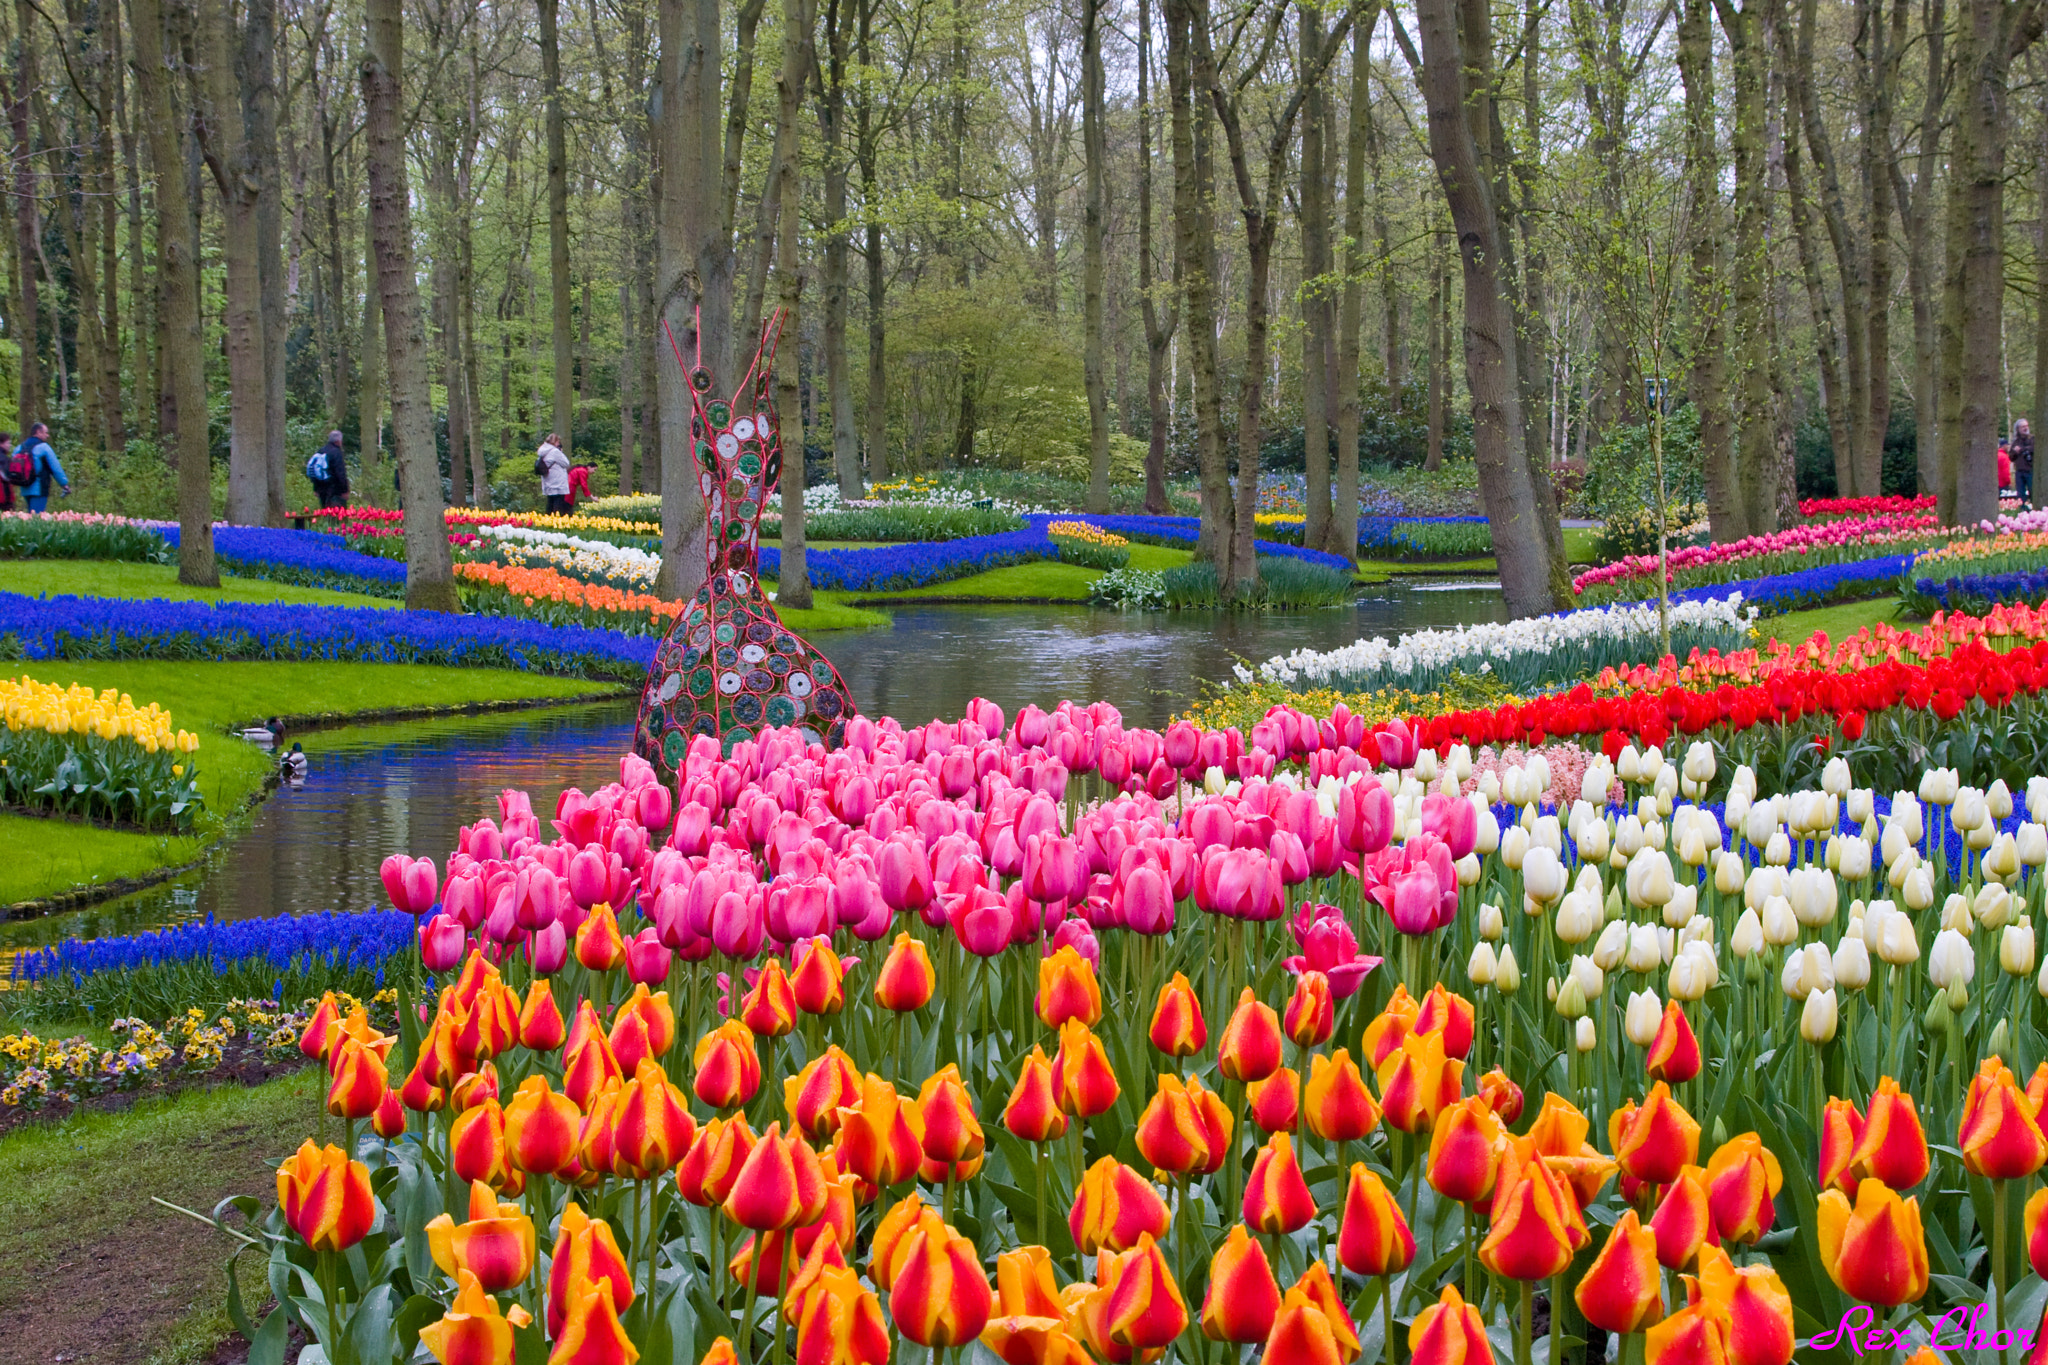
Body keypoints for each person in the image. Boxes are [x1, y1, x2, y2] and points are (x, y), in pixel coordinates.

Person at [21, 423, 67, 512]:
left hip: (24, 487)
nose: (47, 435)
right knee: (37, 518)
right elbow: (55, 467)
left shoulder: (21, 447)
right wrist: (64, 483)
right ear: (38, 432)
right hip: (39, 487)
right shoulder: (44, 447)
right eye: (45, 433)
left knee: (28, 517)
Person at [307, 430, 350, 509]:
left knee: (325, 512)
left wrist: (316, 488)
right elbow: (340, 473)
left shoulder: (321, 451)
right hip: (335, 490)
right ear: (338, 441)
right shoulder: (336, 453)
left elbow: (316, 470)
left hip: (321, 489)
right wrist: (345, 490)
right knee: (337, 515)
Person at [536, 433, 571, 513]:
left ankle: (548, 520)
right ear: (555, 442)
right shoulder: (555, 451)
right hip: (557, 481)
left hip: (548, 480)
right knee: (558, 504)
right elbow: (566, 463)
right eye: (558, 442)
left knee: (550, 503)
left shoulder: (542, 451)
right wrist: (560, 452)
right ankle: (556, 521)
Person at [2015, 419, 2036, 503]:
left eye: (2026, 426)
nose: (2025, 428)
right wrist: (2015, 451)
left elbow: (2033, 448)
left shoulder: (2032, 439)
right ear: (2018, 429)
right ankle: (2022, 510)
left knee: (2033, 491)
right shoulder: (2016, 441)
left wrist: (2021, 449)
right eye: (2023, 426)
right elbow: (2011, 456)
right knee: (2020, 494)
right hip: (2019, 471)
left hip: (2030, 469)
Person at [0, 434, 18, 513]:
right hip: (3, 493)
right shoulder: (4, 458)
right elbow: (6, 477)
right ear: (1, 444)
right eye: (8, 443)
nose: (10, 445)